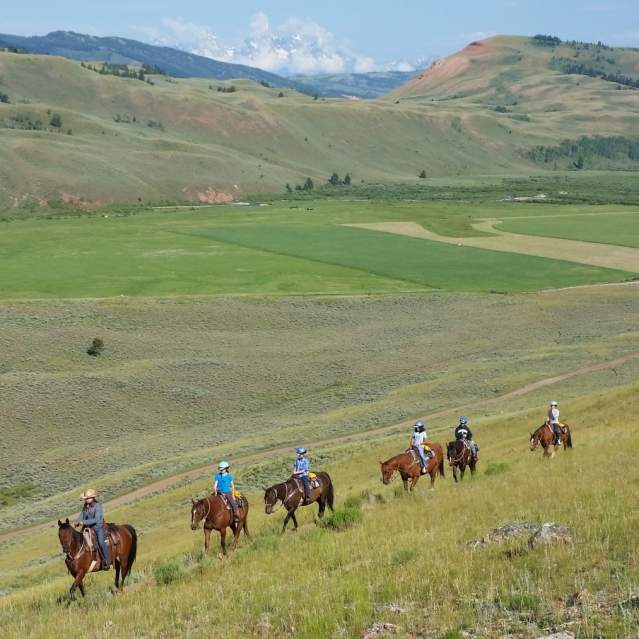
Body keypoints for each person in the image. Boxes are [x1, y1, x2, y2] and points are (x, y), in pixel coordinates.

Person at [79, 489, 110, 570]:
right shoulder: (85, 507)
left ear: (93, 498)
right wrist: (77, 522)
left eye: (88, 498)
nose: (86, 500)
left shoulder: (98, 506)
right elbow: (81, 516)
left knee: (100, 542)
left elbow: (96, 520)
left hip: (98, 527)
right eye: (86, 498)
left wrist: (84, 522)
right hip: (88, 528)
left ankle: (107, 561)